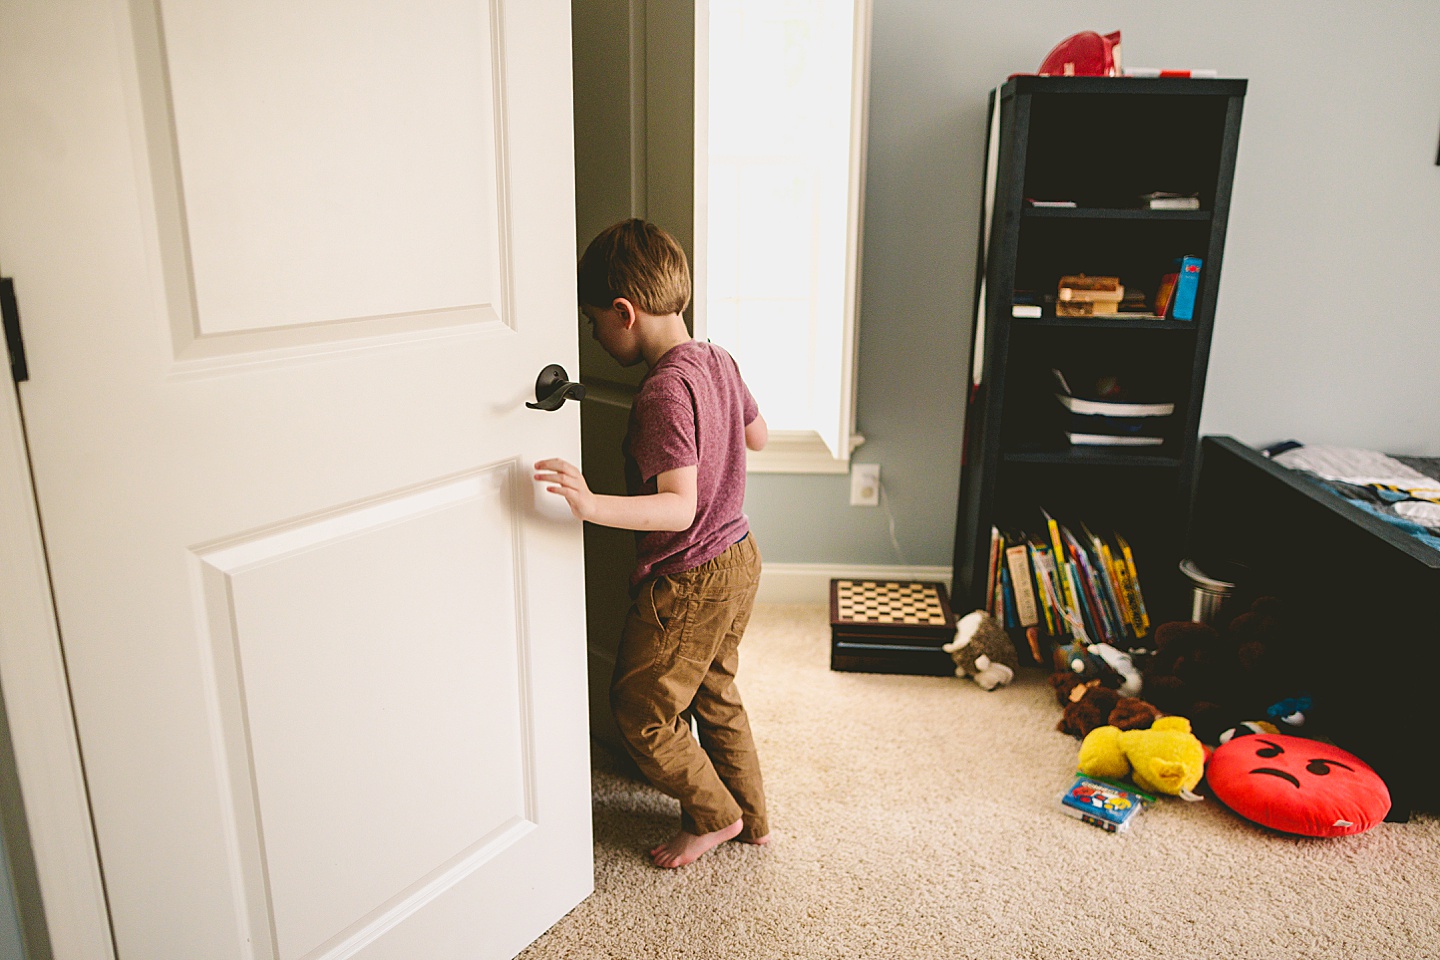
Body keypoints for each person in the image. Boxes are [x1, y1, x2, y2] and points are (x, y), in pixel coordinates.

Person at [534, 218, 770, 868]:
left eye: (592, 323)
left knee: (639, 709)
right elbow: (759, 437)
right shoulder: (719, 359)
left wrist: (588, 504)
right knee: (715, 693)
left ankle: (714, 816)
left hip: (691, 575)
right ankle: (754, 819)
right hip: (740, 555)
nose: (592, 336)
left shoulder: (663, 392)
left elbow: (679, 505)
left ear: (624, 312)